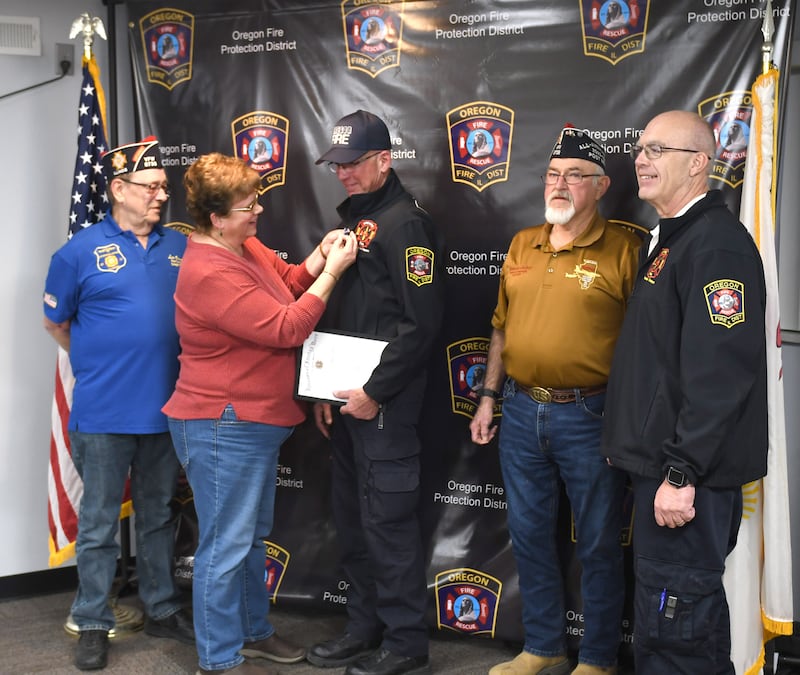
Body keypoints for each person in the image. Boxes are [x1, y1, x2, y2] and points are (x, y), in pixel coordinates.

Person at [162, 152, 357, 675]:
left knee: (246, 538)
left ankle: (250, 631)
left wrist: (317, 259)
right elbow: (287, 327)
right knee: (225, 546)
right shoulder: (207, 271)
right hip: (223, 423)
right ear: (215, 218)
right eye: (248, 206)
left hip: (251, 423)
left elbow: (289, 282)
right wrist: (335, 273)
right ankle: (219, 658)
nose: (259, 212)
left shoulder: (241, 244)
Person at [470, 125, 641, 675]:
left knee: (596, 543)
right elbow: (501, 328)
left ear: (601, 185)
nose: (559, 184)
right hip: (520, 410)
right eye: (552, 174)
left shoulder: (628, 248)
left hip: (591, 414)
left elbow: (649, 346)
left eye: (574, 175)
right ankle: (541, 647)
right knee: (528, 534)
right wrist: (489, 396)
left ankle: (597, 658)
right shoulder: (524, 242)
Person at [601, 110, 768, 674]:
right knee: (665, 622)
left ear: (699, 164)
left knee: (678, 632)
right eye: (640, 150)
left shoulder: (715, 245)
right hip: (662, 468)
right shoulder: (674, 240)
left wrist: (681, 473)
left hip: (683, 479)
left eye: (657, 150)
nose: (641, 161)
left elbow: (719, 374)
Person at [42, 137, 194, 671]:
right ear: (117, 189)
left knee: (156, 518)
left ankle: (159, 608)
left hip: (167, 411)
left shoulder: (181, 245)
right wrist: (99, 361)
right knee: (100, 524)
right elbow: (55, 323)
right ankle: (91, 619)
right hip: (103, 415)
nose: (160, 196)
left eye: (163, 188)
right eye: (150, 188)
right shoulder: (78, 252)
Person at [308, 110, 445, 675]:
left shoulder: (404, 224)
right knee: (353, 519)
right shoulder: (352, 221)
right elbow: (342, 312)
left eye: (353, 164)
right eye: (336, 164)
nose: (342, 174)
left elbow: (422, 323)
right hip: (341, 399)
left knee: (387, 523)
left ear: (385, 160)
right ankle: (364, 628)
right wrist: (323, 389)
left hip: (382, 403)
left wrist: (377, 392)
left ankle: (406, 643)